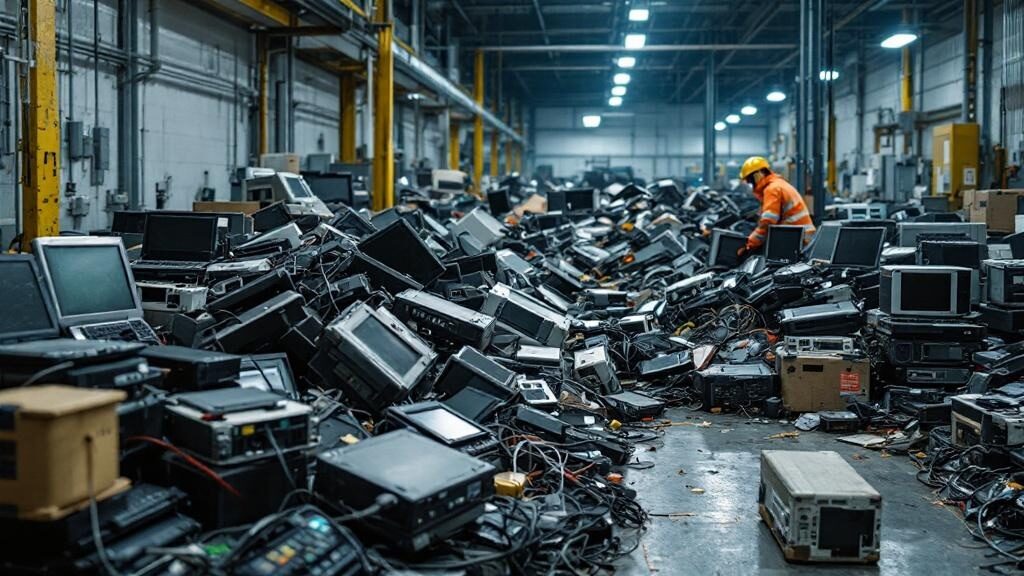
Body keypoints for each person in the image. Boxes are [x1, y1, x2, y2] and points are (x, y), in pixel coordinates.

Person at [738, 156, 816, 256]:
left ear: (758, 175)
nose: (751, 184)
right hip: (801, 236)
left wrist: (749, 245)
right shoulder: (778, 184)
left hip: (798, 239)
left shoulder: (772, 189)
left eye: (750, 180)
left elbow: (768, 222)